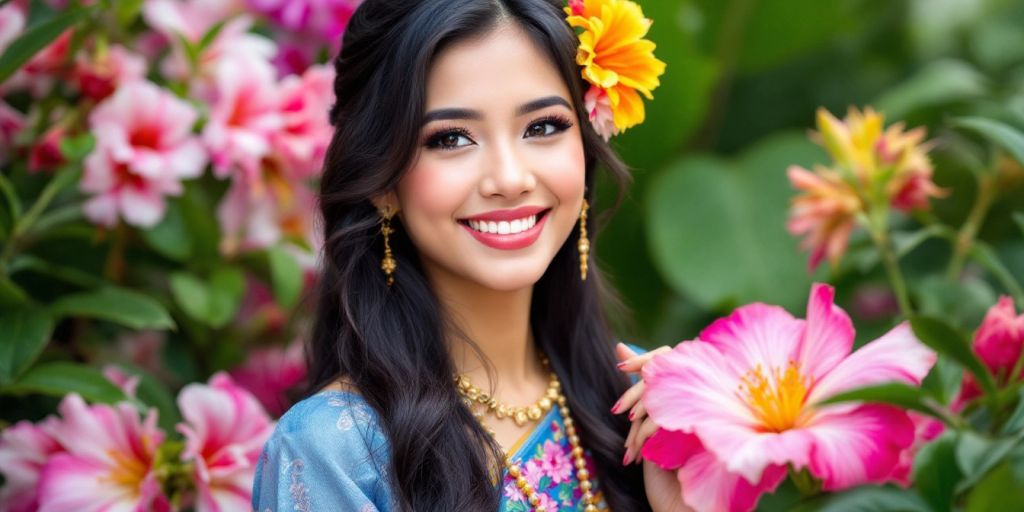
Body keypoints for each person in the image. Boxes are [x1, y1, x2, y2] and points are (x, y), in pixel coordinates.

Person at [252, 0, 685, 510]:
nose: (509, 179)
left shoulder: (640, 404)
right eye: (452, 138)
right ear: (382, 183)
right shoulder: (335, 452)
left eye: (543, 127)